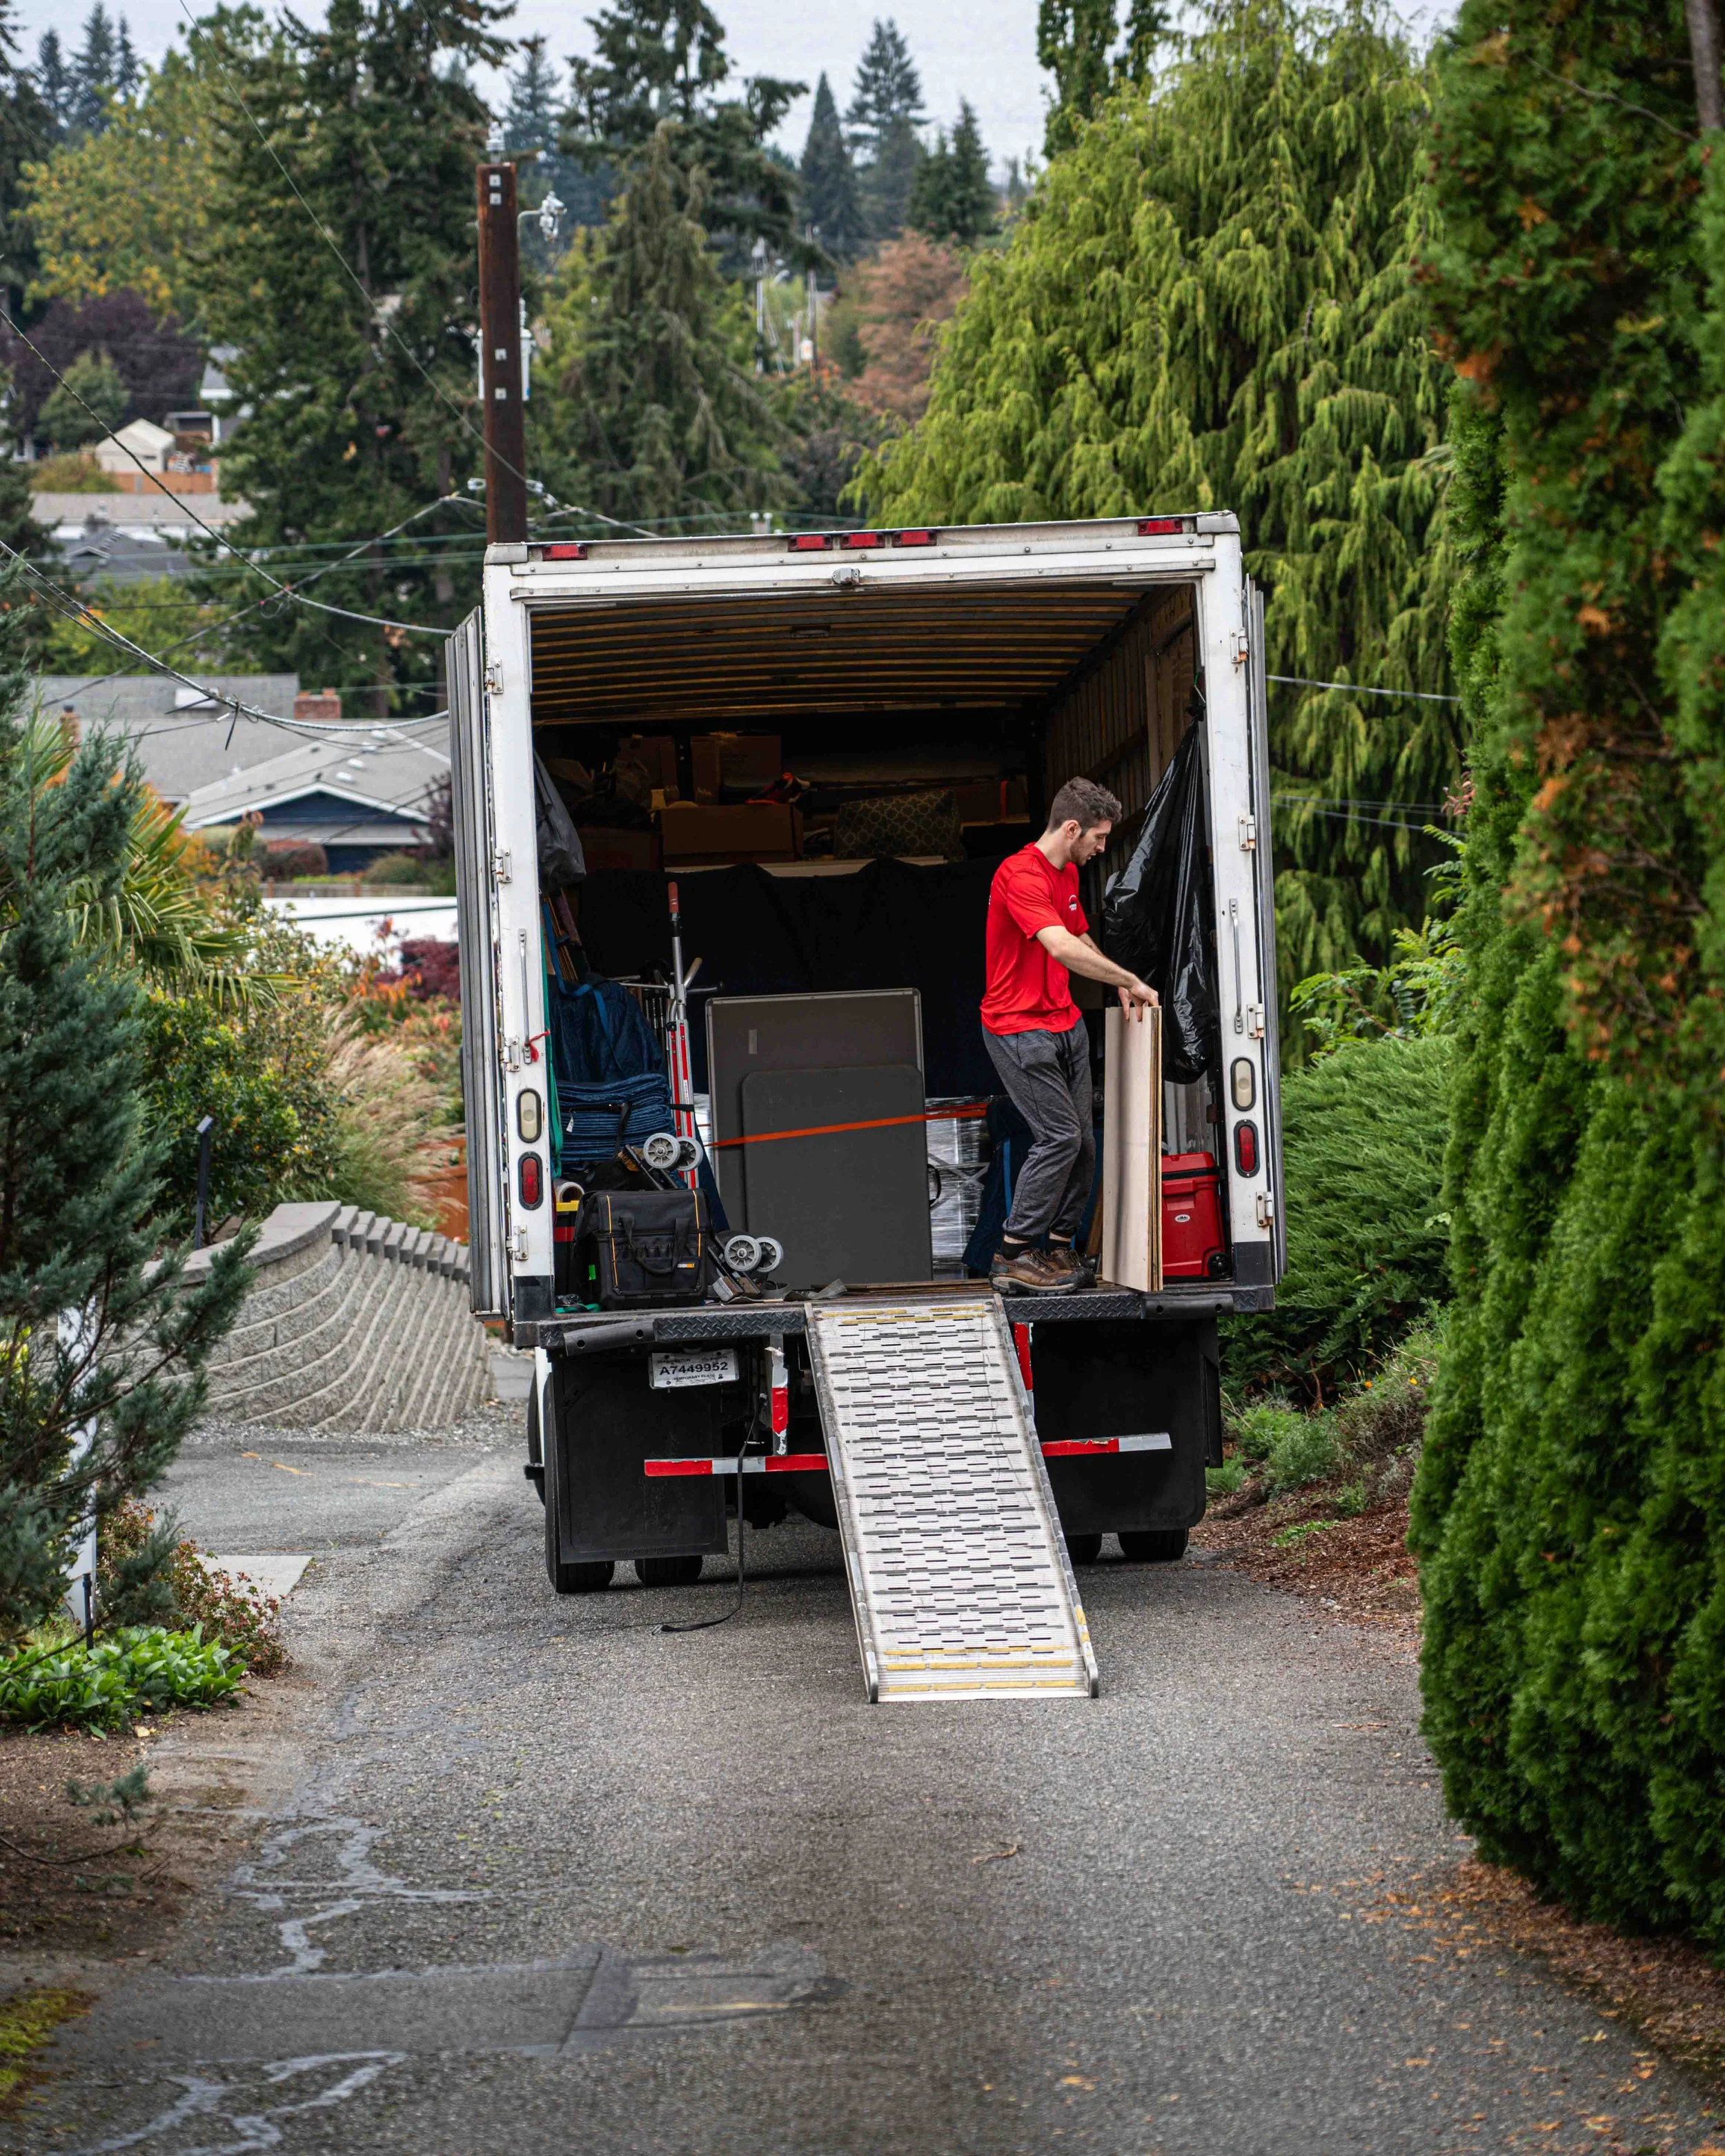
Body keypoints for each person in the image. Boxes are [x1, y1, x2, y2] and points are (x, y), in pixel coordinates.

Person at [980, 777, 1158, 1295]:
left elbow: (1078, 934)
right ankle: (1012, 1255)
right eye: (1098, 837)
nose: (1103, 847)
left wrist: (1114, 976)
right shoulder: (1019, 875)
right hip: (1019, 1028)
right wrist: (1127, 979)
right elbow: (1058, 945)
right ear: (1073, 828)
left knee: (1083, 1142)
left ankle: (1058, 1246)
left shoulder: (1067, 874)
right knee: (1058, 1136)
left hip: (1064, 1023)